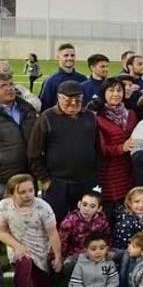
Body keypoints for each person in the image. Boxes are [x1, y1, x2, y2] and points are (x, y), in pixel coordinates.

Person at [28, 80, 98, 222]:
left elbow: (97, 147)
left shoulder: (90, 117)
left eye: (77, 100)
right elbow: (34, 153)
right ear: (59, 98)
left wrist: (95, 175)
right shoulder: (46, 118)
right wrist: (45, 179)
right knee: (56, 221)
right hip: (57, 183)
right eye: (68, 100)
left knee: (84, 222)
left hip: (85, 181)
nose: (73, 103)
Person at [0, 174, 62, 287]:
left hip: (40, 250)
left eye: (31, 190)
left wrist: (58, 257)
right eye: (23, 192)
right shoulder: (4, 206)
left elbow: (52, 234)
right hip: (17, 247)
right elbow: (2, 232)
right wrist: (17, 246)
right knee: (24, 261)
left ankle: (37, 277)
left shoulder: (43, 207)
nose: (28, 195)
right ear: (12, 192)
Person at [0, 71, 39, 234]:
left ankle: (21, 257)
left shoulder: (27, 108)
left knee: (24, 224)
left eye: (11, 84)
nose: (10, 88)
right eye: (3, 86)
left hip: (26, 176)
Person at [94, 77, 138, 207]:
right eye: (111, 90)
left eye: (119, 90)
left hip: (129, 169)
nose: (116, 94)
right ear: (104, 93)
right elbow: (101, 149)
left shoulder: (131, 114)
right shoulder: (98, 117)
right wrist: (121, 148)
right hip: (109, 173)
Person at [58, 191, 110, 275]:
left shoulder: (102, 221)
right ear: (79, 204)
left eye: (92, 206)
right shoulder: (69, 221)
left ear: (99, 209)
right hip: (76, 254)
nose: (87, 209)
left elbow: (106, 238)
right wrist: (59, 258)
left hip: (97, 251)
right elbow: (62, 242)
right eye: (84, 204)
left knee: (119, 254)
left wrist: (104, 252)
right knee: (68, 264)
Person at [39, 43, 87, 111]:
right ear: (58, 57)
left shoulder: (82, 79)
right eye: (66, 55)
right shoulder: (50, 81)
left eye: (72, 55)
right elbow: (45, 107)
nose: (70, 58)